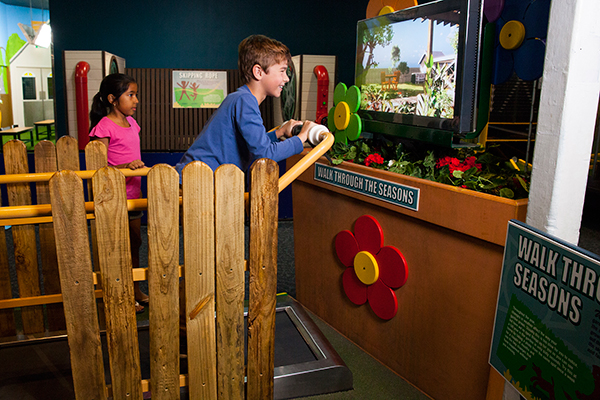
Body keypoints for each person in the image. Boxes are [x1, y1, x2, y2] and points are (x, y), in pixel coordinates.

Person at [175, 34, 318, 176]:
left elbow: (254, 145)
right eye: (282, 71)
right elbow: (265, 154)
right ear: (258, 72)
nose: (286, 78)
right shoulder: (245, 101)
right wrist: (301, 137)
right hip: (196, 182)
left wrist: (278, 133)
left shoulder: (240, 98)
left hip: (199, 178)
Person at [89, 73, 148, 313]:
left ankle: (134, 288)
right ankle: (121, 294)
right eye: (130, 95)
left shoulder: (133, 123)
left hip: (135, 197)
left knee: (135, 243)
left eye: (136, 95)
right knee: (118, 248)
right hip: (114, 199)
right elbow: (98, 167)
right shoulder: (103, 127)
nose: (135, 100)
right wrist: (125, 167)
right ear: (113, 99)